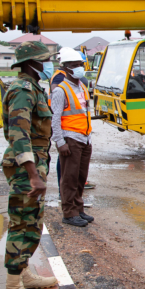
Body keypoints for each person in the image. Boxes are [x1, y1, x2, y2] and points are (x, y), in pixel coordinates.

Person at [0, 41, 58, 289]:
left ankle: (22, 274)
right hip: (26, 167)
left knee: (32, 222)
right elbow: (18, 134)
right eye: (46, 60)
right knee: (23, 224)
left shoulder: (33, 88)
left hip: (34, 164)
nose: (49, 64)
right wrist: (33, 174)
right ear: (33, 63)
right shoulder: (23, 90)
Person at [51, 47, 93, 227]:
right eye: (75, 65)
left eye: (80, 65)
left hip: (84, 138)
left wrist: (88, 137)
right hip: (70, 139)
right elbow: (55, 118)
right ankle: (69, 213)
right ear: (66, 68)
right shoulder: (61, 90)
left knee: (80, 177)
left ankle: (78, 209)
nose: (79, 68)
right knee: (69, 178)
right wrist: (59, 142)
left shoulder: (82, 87)